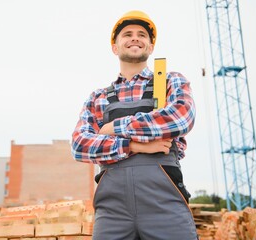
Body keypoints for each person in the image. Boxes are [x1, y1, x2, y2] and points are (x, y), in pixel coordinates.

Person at [71, 10, 198, 240]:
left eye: (142, 34)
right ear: (115, 47)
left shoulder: (171, 81)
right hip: (113, 212)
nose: (135, 38)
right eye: (127, 34)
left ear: (150, 47)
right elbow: (80, 145)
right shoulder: (97, 97)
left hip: (164, 206)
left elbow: (181, 117)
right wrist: (133, 146)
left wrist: (115, 127)